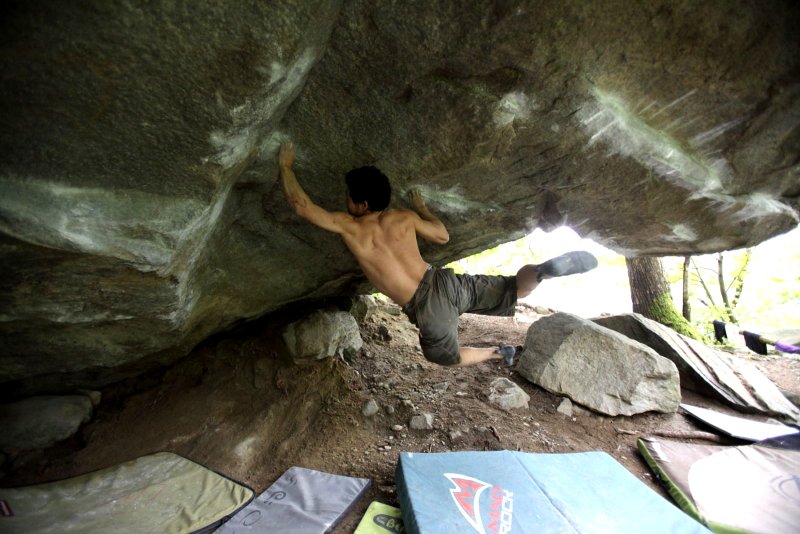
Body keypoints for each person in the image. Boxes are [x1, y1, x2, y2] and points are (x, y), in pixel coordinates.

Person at [278, 142, 597, 367]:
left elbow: (303, 207)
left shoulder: (351, 227)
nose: (345, 200)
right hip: (443, 281)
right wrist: (421, 208)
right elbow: (443, 235)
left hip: (426, 306)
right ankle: (542, 270)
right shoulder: (403, 217)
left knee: (444, 356)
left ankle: (498, 353)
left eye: (349, 197)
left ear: (362, 205)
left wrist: (286, 166)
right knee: (513, 287)